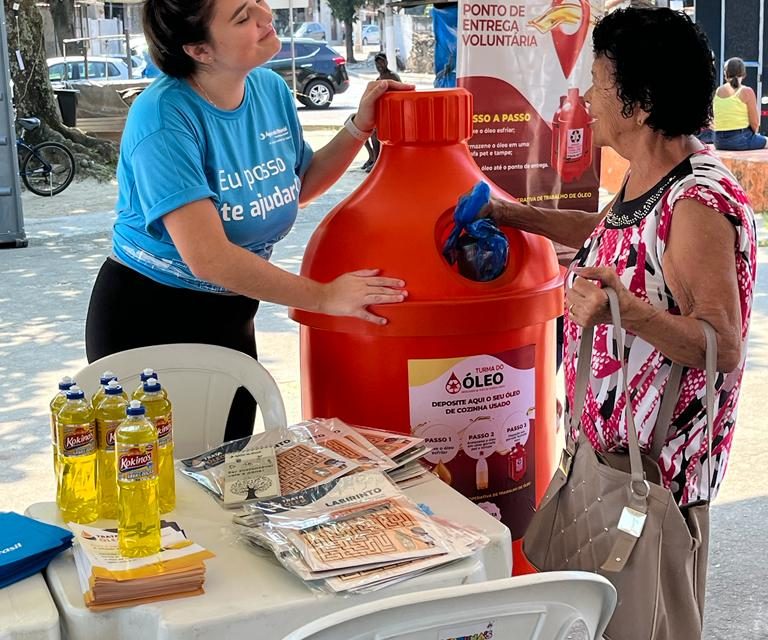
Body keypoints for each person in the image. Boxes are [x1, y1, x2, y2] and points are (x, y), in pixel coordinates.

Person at [85, 0, 413, 441]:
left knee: (229, 471)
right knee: (158, 484)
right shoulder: (163, 117)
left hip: (232, 311)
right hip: (151, 316)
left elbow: (297, 185)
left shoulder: (268, 90)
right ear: (200, 50)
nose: (266, 16)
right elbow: (209, 258)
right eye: (242, 16)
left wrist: (359, 126)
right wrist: (324, 296)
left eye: (258, 2)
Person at [481, 7, 755, 511]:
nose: (586, 98)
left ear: (642, 103)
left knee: (648, 594)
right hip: (611, 466)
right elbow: (609, 234)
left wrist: (625, 311)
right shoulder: (650, 173)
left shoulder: (696, 200)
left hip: (654, 486)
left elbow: (724, 345)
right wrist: (509, 214)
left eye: (598, 82)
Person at [713, 57, 767, 151]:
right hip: (740, 139)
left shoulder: (718, 91)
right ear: (744, 74)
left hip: (718, 141)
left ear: (725, 74)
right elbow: (754, 124)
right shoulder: (746, 91)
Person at [362, 53, 401, 172]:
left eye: (382, 62)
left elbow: (401, 93)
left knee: (375, 131)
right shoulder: (378, 80)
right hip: (380, 111)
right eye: (377, 63)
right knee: (360, 128)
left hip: (391, 113)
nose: (380, 65)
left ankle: (377, 161)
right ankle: (372, 156)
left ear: (386, 62)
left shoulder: (393, 77)